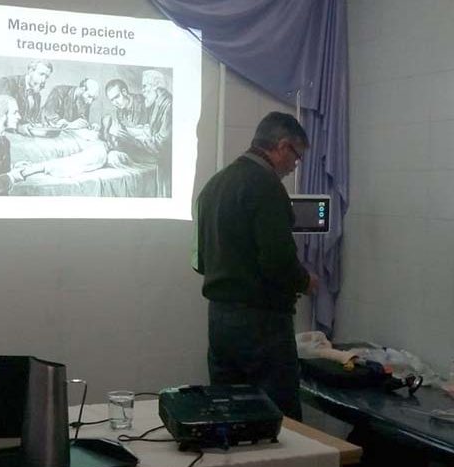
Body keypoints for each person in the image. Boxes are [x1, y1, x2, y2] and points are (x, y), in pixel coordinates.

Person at [193, 112, 319, 420]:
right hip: (262, 325)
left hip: (219, 322)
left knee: (230, 416)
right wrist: (305, 281)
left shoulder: (214, 185)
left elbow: (201, 261)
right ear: (282, 146)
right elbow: (277, 261)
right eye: (296, 156)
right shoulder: (266, 186)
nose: (295, 166)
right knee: (280, 423)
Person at [105, 70, 173, 197]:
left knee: (113, 158)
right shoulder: (120, 112)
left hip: (153, 155)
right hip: (139, 149)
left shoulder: (147, 103)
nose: (143, 91)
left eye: (116, 97)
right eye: (112, 100)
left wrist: (132, 137)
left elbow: (157, 139)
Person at [0, 60, 53, 134]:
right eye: (41, 74)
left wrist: (42, 123)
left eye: (46, 77)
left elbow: (31, 120)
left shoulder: (37, 96)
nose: (43, 80)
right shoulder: (8, 83)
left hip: (22, 137)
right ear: (30, 71)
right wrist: (19, 127)